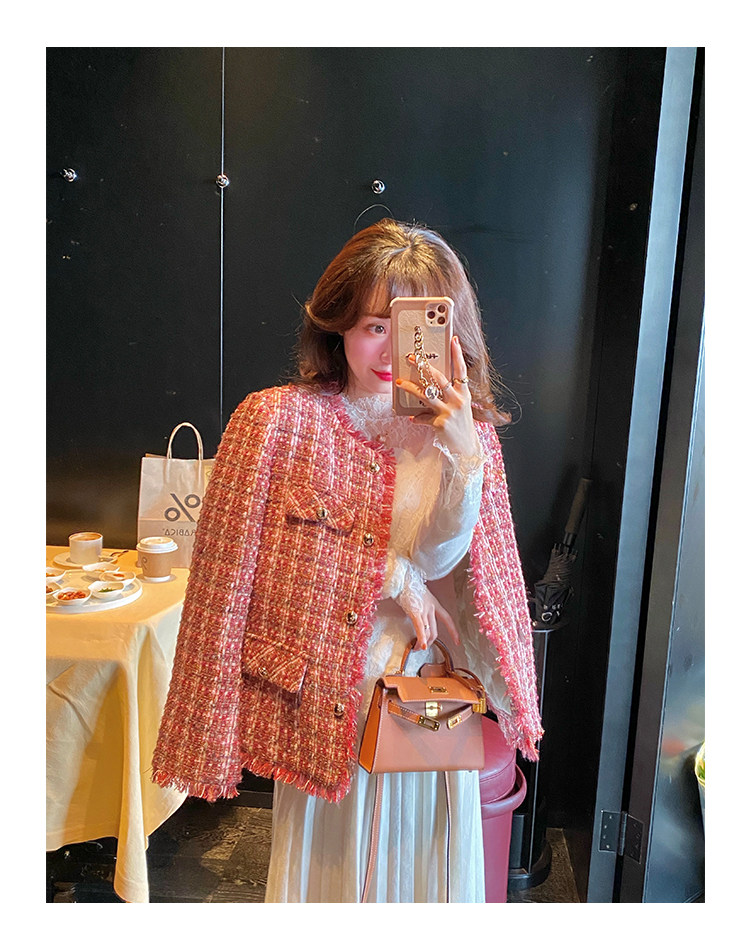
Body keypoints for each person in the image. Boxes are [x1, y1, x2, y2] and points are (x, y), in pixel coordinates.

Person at [151, 218, 543, 903]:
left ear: (449, 334)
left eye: (411, 327)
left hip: (424, 694)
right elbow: (241, 567)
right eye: (372, 326)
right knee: (332, 879)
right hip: (329, 696)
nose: (389, 349)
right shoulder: (278, 420)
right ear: (337, 326)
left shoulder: (465, 432)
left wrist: (463, 454)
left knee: (420, 871)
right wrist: (394, 577)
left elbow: (447, 555)